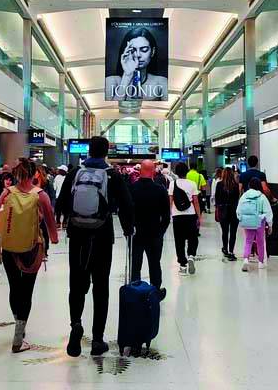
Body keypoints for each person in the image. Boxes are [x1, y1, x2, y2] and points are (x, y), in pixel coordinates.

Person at [56, 136, 134, 358]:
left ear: (88, 150)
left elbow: (61, 203)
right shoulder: (112, 175)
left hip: (78, 236)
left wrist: (66, 221)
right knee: (101, 287)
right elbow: (127, 205)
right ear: (106, 151)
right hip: (101, 237)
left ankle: (76, 325)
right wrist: (129, 229)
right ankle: (97, 339)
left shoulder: (75, 173)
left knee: (77, 284)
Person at [0, 158, 59, 353]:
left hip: (8, 248)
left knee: (14, 287)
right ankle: (18, 336)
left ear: (16, 175)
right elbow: (50, 223)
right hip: (31, 249)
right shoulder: (41, 196)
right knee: (27, 289)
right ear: (34, 174)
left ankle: (18, 326)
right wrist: (54, 238)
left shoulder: (6, 193)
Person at [128, 160, 170, 299]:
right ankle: (155, 291)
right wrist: (161, 232)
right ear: (153, 171)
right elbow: (166, 216)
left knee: (135, 264)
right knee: (154, 264)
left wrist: (129, 228)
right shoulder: (160, 190)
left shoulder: (132, 188)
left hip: (136, 234)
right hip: (154, 233)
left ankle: (135, 290)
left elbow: (125, 211)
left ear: (140, 171)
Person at [104, 26, 169, 101]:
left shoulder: (161, 82)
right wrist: (127, 76)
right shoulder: (111, 81)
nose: (138, 55)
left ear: (152, 52)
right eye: (133, 50)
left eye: (144, 50)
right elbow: (111, 110)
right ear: (126, 51)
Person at [169, 161, 202, 276]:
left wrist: (170, 215)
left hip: (177, 216)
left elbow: (171, 200)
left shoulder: (172, 184)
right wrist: (199, 216)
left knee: (179, 241)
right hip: (190, 215)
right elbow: (196, 202)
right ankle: (191, 255)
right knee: (193, 237)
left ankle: (182, 266)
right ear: (186, 172)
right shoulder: (192, 184)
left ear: (176, 173)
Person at [237, 177, 274, 271]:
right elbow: (268, 211)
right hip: (259, 221)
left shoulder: (244, 195)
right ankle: (260, 262)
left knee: (248, 241)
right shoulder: (261, 196)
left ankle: (246, 259)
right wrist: (270, 224)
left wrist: (241, 218)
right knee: (260, 241)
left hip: (247, 221)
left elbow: (239, 209)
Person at [215, 167, 240, 260]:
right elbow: (237, 198)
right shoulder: (236, 185)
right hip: (234, 210)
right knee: (233, 232)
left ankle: (225, 248)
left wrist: (218, 208)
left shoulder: (219, 184)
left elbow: (217, 199)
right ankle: (231, 251)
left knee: (225, 232)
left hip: (223, 210)